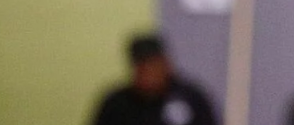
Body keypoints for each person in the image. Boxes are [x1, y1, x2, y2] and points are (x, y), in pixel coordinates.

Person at [90, 33, 218, 125]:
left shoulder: (192, 99)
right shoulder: (116, 104)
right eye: (142, 66)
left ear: (166, 64)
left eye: (153, 65)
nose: (148, 72)